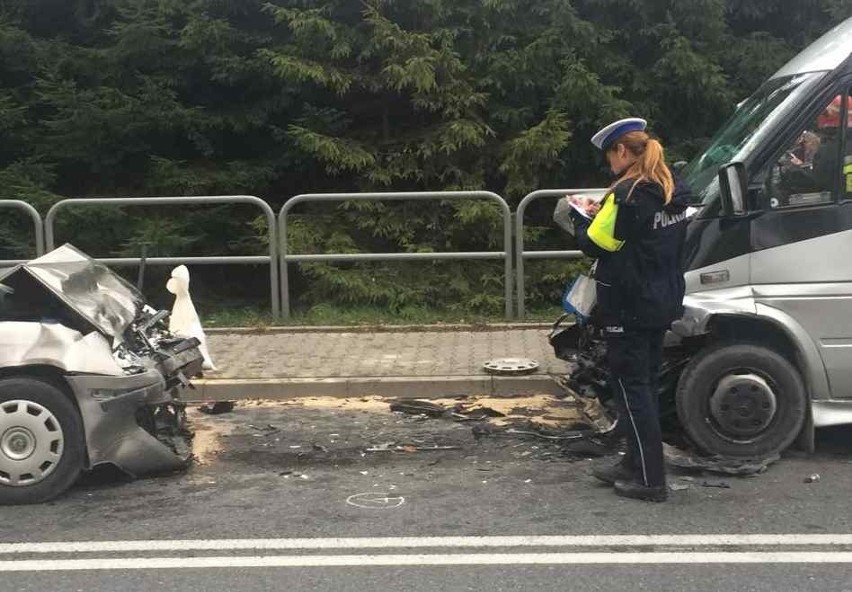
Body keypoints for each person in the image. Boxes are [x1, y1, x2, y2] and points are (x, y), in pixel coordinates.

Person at [567, 118, 691, 502]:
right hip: (661, 298)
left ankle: (651, 480)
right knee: (644, 386)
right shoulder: (671, 188)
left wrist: (578, 215)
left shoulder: (628, 194)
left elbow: (596, 243)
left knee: (630, 388)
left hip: (629, 304)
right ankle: (632, 464)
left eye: (610, 156)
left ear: (622, 152)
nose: (609, 166)